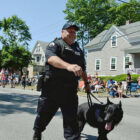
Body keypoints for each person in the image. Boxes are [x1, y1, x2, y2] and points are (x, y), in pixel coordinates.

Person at [33, 22, 90, 140]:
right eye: (70, 31)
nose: (72, 33)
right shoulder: (56, 44)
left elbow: (83, 69)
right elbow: (52, 59)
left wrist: (87, 84)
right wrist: (68, 66)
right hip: (52, 89)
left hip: (70, 91)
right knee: (44, 115)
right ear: (62, 32)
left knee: (71, 121)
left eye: (74, 32)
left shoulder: (78, 49)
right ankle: (37, 132)